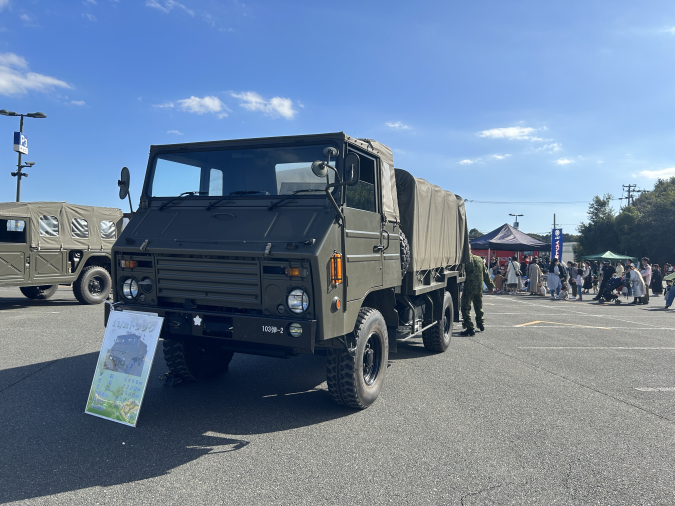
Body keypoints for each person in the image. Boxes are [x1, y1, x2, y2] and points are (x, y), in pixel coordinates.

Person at [461, 252, 494, 336]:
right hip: (479, 287)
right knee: (478, 306)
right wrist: (490, 286)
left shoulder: (464, 260)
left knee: (465, 307)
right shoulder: (479, 259)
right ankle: (480, 323)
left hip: (468, 287)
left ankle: (469, 327)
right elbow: (486, 273)